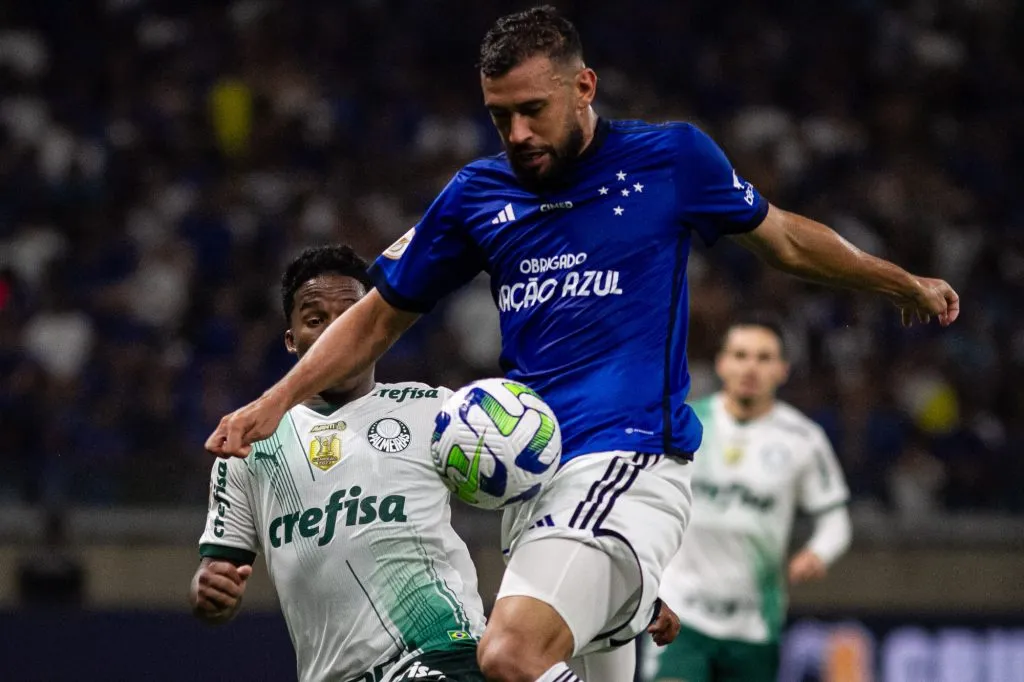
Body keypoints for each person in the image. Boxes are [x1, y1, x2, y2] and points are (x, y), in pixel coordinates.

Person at [205, 7, 959, 682]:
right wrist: (274, 404)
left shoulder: (671, 159)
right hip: (532, 484)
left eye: (533, 111)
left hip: (626, 454)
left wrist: (896, 282)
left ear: (584, 87)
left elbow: (787, 241)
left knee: (507, 656)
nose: (519, 135)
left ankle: (619, 598)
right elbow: (375, 320)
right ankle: (620, 604)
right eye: (501, 118)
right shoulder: (476, 195)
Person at [189, 245, 488, 682]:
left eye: (349, 317)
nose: (333, 332)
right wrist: (207, 592)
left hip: (440, 656)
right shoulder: (248, 444)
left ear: (369, 327)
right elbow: (215, 572)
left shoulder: (435, 411)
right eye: (315, 320)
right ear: (291, 340)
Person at [647, 315, 852, 682]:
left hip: (755, 623)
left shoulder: (803, 438)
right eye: (740, 355)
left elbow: (835, 520)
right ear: (722, 363)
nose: (750, 367)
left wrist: (818, 552)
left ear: (783, 369)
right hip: (681, 614)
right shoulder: (687, 424)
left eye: (764, 357)